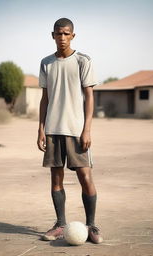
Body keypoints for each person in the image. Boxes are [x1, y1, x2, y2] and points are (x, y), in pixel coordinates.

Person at [37, 17, 103, 244]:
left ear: (73, 35)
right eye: (58, 33)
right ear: (52, 35)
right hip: (54, 129)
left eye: (66, 34)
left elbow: (89, 96)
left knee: (85, 177)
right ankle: (60, 223)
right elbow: (44, 98)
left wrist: (87, 130)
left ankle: (91, 225)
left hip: (76, 130)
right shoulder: (46, 62)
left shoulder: (83, 60)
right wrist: (41, 128)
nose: (62, 38)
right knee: (56, 178)